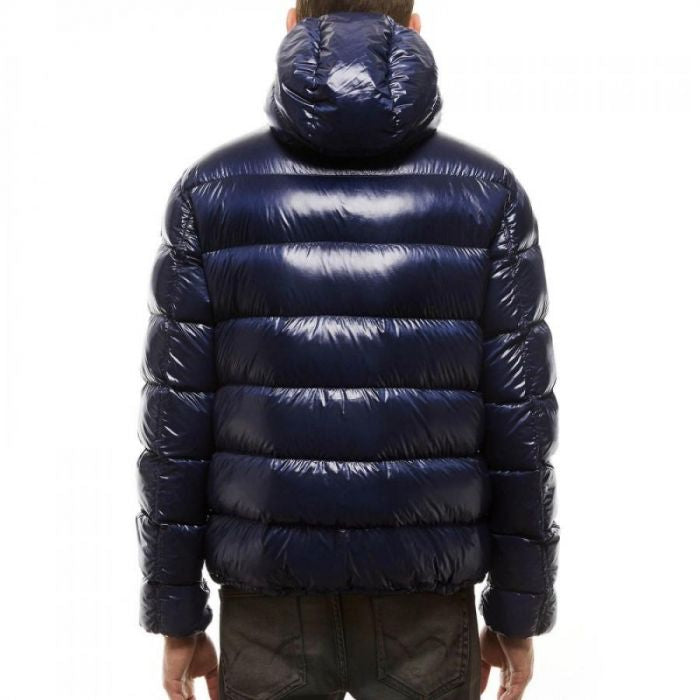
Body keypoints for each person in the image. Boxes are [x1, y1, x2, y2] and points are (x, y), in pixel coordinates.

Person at [136, 2, 559, 698]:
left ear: (292, 22)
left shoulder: (209, 191)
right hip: (426, 589)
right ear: (413, 28)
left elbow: (175, 429)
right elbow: (521, 427)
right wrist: (518, 611)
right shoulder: (489, 194)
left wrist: (177, 615)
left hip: (267, 591)